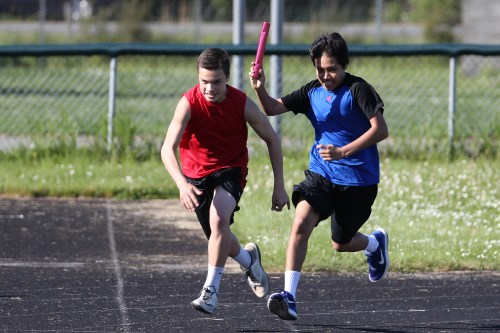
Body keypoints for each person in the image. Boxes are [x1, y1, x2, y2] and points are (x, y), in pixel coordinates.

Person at [249, 32, 389, 321]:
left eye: (332, 69)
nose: (326, 75)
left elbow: (381, 130)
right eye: (320, 69)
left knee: (341, 243)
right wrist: (260, 88)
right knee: (301, 222)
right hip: (321, 174)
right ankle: (288, 296)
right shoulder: (312, 91)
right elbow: (273, 108)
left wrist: (344, 151)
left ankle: (374, 244)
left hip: (359, 181)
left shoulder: (359, 89)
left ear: (344, 66)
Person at [161, 48, 290, 315]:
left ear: (227, 79)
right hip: (195, 175)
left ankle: (210, 291)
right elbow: (167, 149)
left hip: (231, 169)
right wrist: (182, 185)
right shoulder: (188, 102)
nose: (209, 88)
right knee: (219, 238)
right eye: (204, 81)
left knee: (218, 220)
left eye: (217, 82)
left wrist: (279, 186)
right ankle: (249, 260)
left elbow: (272, 139)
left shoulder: (241, 102)